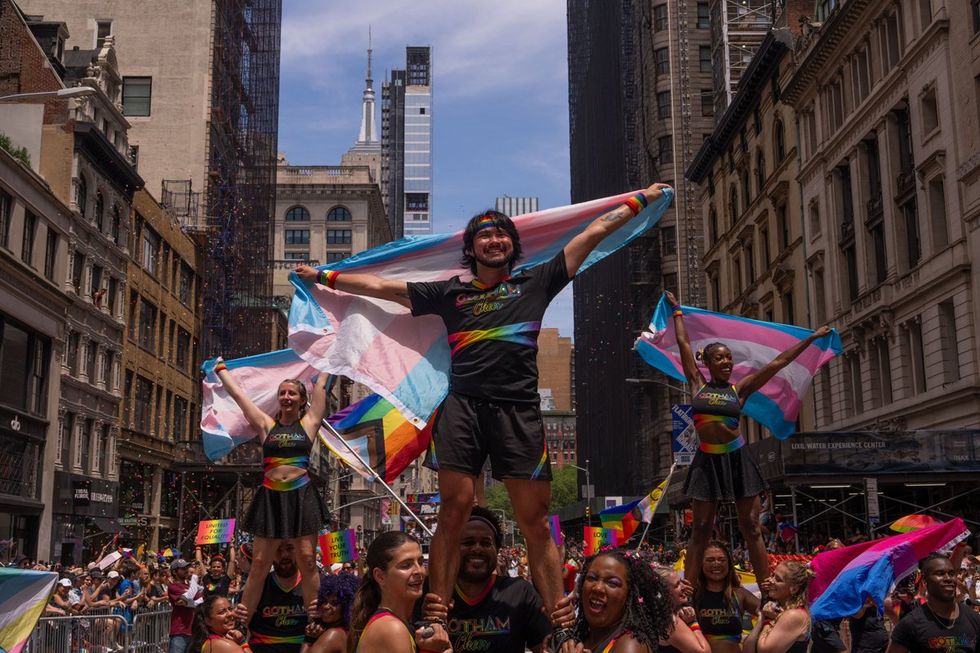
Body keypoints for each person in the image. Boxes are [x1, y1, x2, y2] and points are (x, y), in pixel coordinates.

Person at [296, 183, 672, 647]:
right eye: (484, 236)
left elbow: (591, 233)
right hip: (463, 411)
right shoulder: (448, 294)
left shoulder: (537, 280)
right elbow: (379, 287)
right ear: (470, 248)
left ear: (513, 246)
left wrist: (640, 200)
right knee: (453, 511)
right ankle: (435, 615)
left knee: (534, 523)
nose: (494, 241)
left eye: (502, 236)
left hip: (520, 414)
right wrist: (325, 277)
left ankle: (559, 630)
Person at [666, 289, 831, 586]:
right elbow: (683, 343)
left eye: (729, 358)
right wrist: (678, 312)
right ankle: (688, 590)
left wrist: (811, 339)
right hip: (707, 461)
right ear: (708, 363)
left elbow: (777, 363)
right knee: (701, 527)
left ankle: (767, 586)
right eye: (720, 358)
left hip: (737, 458)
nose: (727, 362)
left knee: (751, 525)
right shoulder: (696, 384)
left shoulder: (739, 390)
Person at [215, 369, 330, 623]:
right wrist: (221, 371)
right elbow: (239, 396)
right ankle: (242, 623)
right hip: (271, 497)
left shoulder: (309, 423)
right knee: (258, 563)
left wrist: (327, 361)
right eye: (282, 393)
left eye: (292, 393)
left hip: (301, 496)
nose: (286, 397)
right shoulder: (267, 425)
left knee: (308, 560)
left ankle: (316, 619)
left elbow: (322, 385)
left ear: (302, 399)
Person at [415, 506, 553, 652]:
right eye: (468, 542)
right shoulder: (431, 593)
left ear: (497, 550)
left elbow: (544, 646)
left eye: (486, 543)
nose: (477, 549)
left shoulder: (520, 592)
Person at [348, 531, 451, 653]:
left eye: (421, 562)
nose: (419, 570)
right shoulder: (391, 628)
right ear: (380, 576)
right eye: (406, 565)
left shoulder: (397, 622)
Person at [560, 548, 675, 653]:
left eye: (612, 583)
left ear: (630, 595)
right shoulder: (582, 634)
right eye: (591, 578)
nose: (598, 588)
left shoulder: (630, 646)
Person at [887, 554, 980, 653]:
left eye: (952, 573)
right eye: (940, 574)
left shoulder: (974, 619)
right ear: (924, 581)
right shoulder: (910, 624)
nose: (948, 578)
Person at [692, 540, 759, 653]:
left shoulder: (740, 594)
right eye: (710, 560)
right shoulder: (694, 595)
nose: (716, 563)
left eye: (722, 560)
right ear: (701, 564)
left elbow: (767, 611)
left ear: (729, 564)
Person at [245, 540, 308, 653]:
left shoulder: (313, 586)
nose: (284, 555)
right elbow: (244, 627)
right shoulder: (256, 587)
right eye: (278, 550)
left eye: (289, 548)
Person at [742, 561, 812, 653]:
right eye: (772, 575)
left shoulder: (794, 615)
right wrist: (761, 617)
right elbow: (747, 649)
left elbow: (765, 651)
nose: (771, 580)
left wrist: (767, 621)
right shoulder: (776, 611)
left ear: (794, 589)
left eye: (778, 579)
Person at [657, 569, 710, 653]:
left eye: (681, 581)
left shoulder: (660, 615)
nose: (684, 587)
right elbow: (703, 652)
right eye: (677, 585)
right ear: (663, 593)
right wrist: (693, 623)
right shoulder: (670, 621)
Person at [307, 572, 358, 653]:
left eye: (334, 603)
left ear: (346, 607)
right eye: (324, 601)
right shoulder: (346, 632)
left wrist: (309, 638)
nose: (326, 606)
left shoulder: (333, 635)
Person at [169, 558, 205, 653]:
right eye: (182, 568)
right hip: (179, 631)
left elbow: (201, 600)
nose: (186, 570)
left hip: (192, 630)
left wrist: (189, 603)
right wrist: (194, 577)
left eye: (186, 567)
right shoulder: (173, 586)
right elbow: (189, 597)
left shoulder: (189, 586)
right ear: (174, 572)